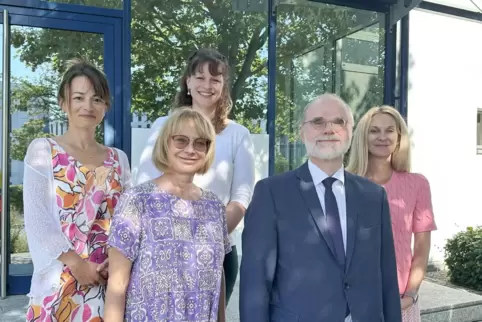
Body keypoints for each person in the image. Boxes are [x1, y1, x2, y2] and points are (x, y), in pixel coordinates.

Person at [239, 93, 402, 322]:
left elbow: (387, 278)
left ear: (351, 131)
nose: (329, 129)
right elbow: (255, 282)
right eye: (318, 122)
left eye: (339, 122)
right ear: (301, 131)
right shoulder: (271, 193)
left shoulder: (374, 196)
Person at [136, 48, 255, 303]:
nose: (207, 85)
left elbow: (241, 197)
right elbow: (144, 187)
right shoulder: (162, 126)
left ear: (223, 86)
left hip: (217, 251)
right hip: (164, 250)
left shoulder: (238, 135)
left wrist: (206, 240)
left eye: (216, 79)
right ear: (188, 82)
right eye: (200, 77)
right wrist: (177, 239)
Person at [24, 59, 131, 321]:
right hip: (58, 282)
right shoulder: (43, 151)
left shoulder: (119, 159)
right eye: (79, 97)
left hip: (106, 282)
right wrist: (78, 265)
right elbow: (38, 220)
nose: (88, 106)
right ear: (64, 103)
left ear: (106, 106)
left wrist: (114, 267)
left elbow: (128, 220)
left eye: (97, 99)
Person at [104, 108, 231, 322]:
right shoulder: (137, 201)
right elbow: (117, 286)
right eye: (181, 140)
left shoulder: (214, 207)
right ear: (166, 143)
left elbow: (217, 275)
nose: (191, 149)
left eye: (201, 142)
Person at [347, 105, 436, 322]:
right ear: (363, 137)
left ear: (399, 137)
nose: (382, 137)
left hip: (400, 300)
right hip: (351, 300)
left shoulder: (417, 184)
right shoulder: (344, 184)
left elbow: (422, 248)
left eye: (389, 130)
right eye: (374, 130)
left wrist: (411, 295)